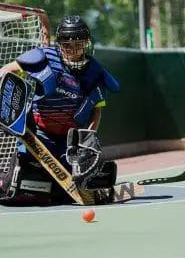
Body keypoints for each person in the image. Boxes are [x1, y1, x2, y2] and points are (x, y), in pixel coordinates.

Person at [0, 15, 119, 204]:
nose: (73, 50)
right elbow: (7, 70)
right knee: (24, 181)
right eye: (67, 45)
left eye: (79, 44)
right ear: (60, 43)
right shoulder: (44, 57)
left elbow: (97, 110)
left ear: (87, 42)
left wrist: (87, 139)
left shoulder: (95, 73)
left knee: (77, 179)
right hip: (38, 135)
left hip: (68, 141)